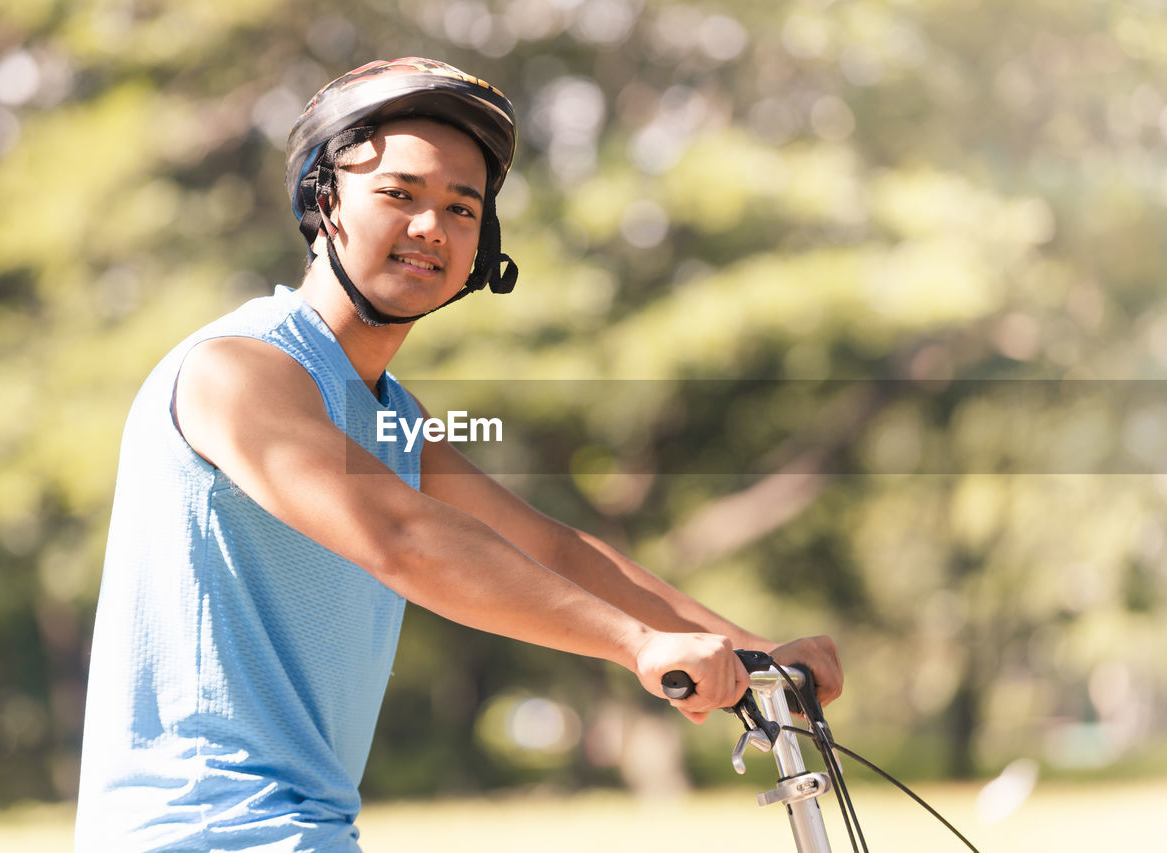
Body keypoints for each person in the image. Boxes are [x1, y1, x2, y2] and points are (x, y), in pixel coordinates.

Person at [75, 57, 842, 852]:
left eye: (461, 208)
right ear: (324, 201)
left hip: (300, 831)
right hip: (207, 831)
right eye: (399, 195)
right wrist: (638, 645)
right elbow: (400, 537)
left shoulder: (393, 416)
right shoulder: (240, 370)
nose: (431, 228)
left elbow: (543, 545)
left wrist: (753, 651)